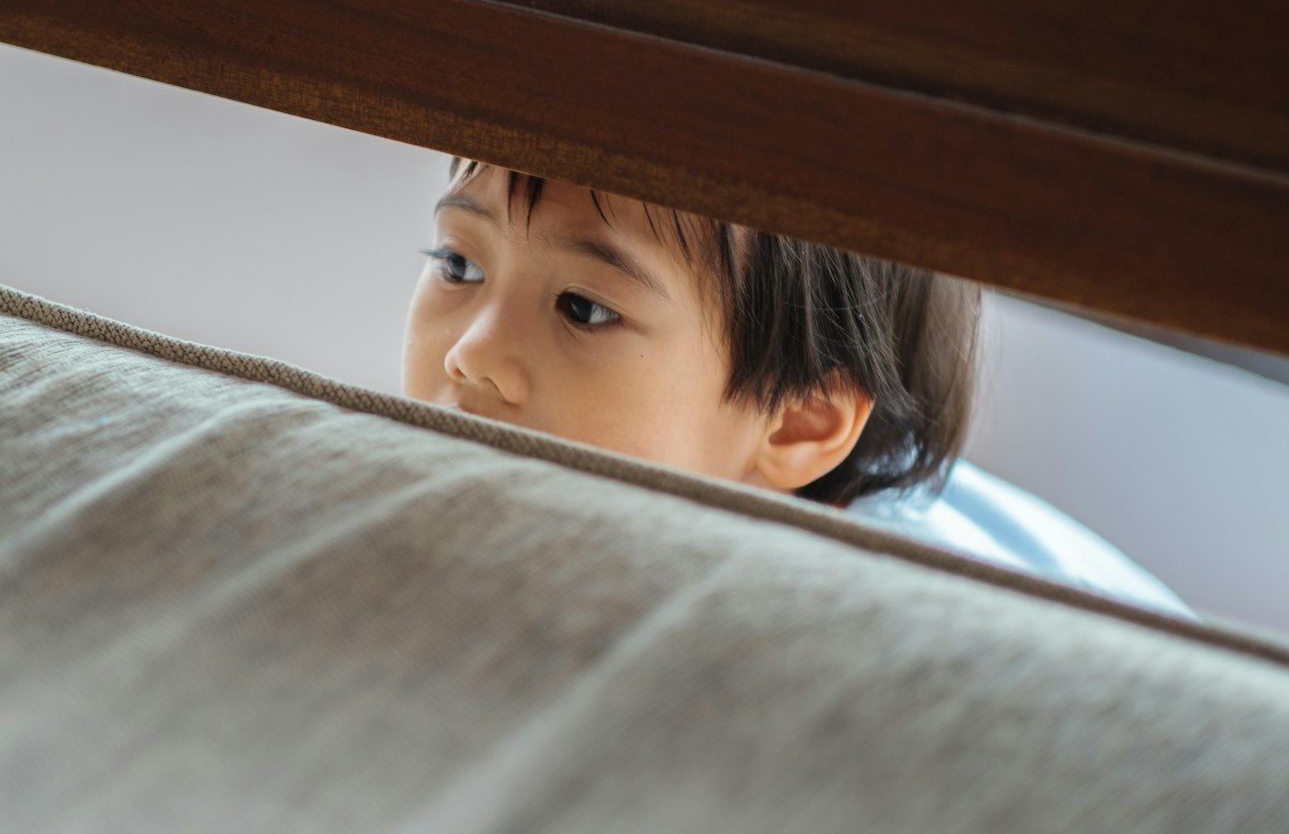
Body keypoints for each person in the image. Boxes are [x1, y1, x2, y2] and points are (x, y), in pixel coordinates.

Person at [402, 158, 1190, 618]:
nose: (472, 354)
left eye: (584, 309)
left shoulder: (886, 620)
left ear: (799, 422)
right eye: (458, 265)